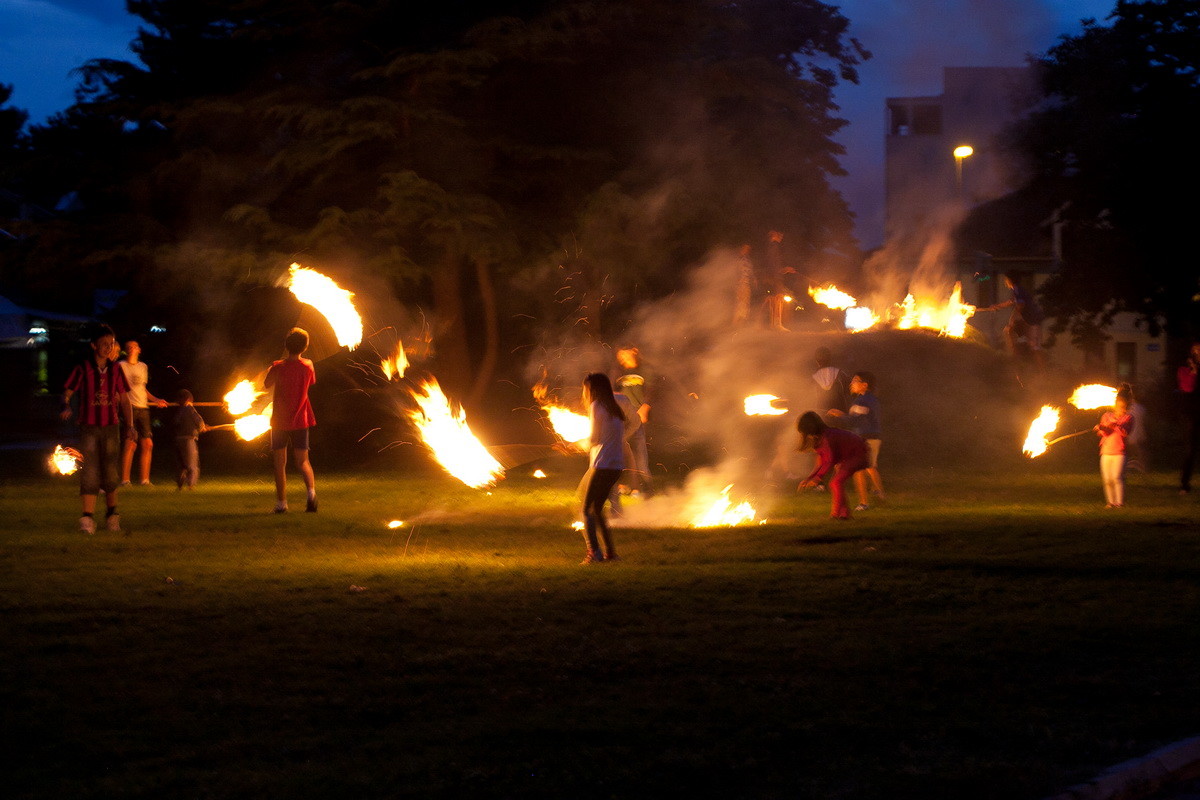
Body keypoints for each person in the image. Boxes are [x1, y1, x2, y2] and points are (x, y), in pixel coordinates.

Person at [61, 325, 131, 533]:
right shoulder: (83, 368)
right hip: (89, 427)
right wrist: (65, 404)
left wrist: (130, 425)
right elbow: (67, 392)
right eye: (103, 344)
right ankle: (87, 519)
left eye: (111, 344)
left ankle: (112, 516)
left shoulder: (117, 369)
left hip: (111, 426)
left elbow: (125, 400)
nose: (108, 348)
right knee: (90, 472)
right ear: (93, 345)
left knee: (110, 472)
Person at [265, 327, 318, 513]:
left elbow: (266, 385)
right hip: (301, 420)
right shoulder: (308, 365)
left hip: (280, 421)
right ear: (305, 346)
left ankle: (282, 504)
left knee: (280, 464)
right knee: (303, 461)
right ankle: (311, 496)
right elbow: (311, 382)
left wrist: (271, 368)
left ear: (286, 345)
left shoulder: (278, 366)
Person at [579, 372, 625, 564]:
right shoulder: (615, 409)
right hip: (616, 465)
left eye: (587, 388)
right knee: (597, 510)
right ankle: (611, 553)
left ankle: (594, 553)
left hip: (603, 464)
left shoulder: (596, 406)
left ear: (593, 389)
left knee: (587, 509)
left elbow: (595, 439)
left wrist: (574, 445)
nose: (585, 392)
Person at [795, 410, 868, 520]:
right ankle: (844, 515)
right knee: (836, 483)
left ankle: (835, 515)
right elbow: (821, 462)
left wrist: (817, 478)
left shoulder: (827, 437)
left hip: (857, 454)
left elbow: (829, 461)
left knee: (835, 482)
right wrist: (809, 478)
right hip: (847, 457)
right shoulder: (819, 439)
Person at [828, 371, 884, 511]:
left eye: (855, 381)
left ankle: (864, 503)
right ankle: (880, 495)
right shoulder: (868, 399)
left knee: (860, 469)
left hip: (866, 437)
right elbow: (857, 418)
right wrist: (843, 416)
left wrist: (840, 416)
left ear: (864, 385)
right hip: (870, 436)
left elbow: (855, 420)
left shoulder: (863, 400)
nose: (851, 384)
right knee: (869, 467)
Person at [118, 339, 169, 486]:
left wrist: (156, 399)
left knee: (147, 444)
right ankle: (125, 480)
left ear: (139, 350)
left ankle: (145, 480)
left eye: (135, 346)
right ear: (126, 350)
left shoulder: (143, 367)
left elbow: (143, 389)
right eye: (129, 347)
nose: (132, 348)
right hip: (130, 407)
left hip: (143, 408)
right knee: (130, 444)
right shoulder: (121, 366)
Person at [982, 272, 1046, 367]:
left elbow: (1020, 305)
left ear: (1010, 280)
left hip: (1033, 321)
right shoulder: (1017, 290)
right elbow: (1011, 301)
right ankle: (1016, 354)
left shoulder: (1017, 290)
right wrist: (997, 306)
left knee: (1034, 347)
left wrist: (1012, 319)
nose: (1005, 282)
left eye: (1006, 279)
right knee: (1009, 331)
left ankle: (1041, 370)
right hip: (1029, 320)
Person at [614, 345, 653, 497]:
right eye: (620, 356)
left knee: (639, 454)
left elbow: (651, 390)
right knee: (621, 451)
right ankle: (624, 485)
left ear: (634, 352)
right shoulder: (619, 372)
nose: (623, 359)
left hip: (636, 416)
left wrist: (645, 407)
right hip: (621, 417)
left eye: (625, 355)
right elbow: (612, 390)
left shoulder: (645, 370)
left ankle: (646, 489)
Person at [1095, 383, 1135, 508]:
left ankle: (1119, 503)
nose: (1119, 409)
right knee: (1107, 479)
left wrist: (1115, 424)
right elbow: (1103, 433)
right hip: (1106, 451)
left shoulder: (1128, 418)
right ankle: (1110, 503)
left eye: (1122, 407)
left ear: (1126, 407)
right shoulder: (1107, 416)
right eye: (1118, 406)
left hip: (1119, 452)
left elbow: (1124, 432)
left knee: (1117, 477)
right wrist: (1101, 427)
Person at [172, 389, 208, 490]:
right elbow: (199, 421)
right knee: (192, 463)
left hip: (179, 440)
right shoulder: (190, 409)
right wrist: (202, 427)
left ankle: (179, 485)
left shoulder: (179, 411)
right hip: (189, 440)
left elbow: (176, 422)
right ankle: (191, 485)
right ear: (189, 399)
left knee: (181, 464)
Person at [1178, 342, 1200, 494]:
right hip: (1191, 415)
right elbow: (1188, 387)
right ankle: (1185, 484)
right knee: (1190, 450)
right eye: (1196, 351)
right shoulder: (1184, 370)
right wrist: (1194, 371)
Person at [732, 243, 756, 327]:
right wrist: (737, 280)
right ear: (741, 249)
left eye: (748, 249)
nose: (747, 250)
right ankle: (735, 323)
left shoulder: (747, 259)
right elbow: (734, 270)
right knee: (740, 302)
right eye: (745, 248)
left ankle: (742, 323)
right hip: (740, 283)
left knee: (745, 302)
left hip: (746, 283)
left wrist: (753, 279)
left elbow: (750, 270)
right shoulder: (738, 259)